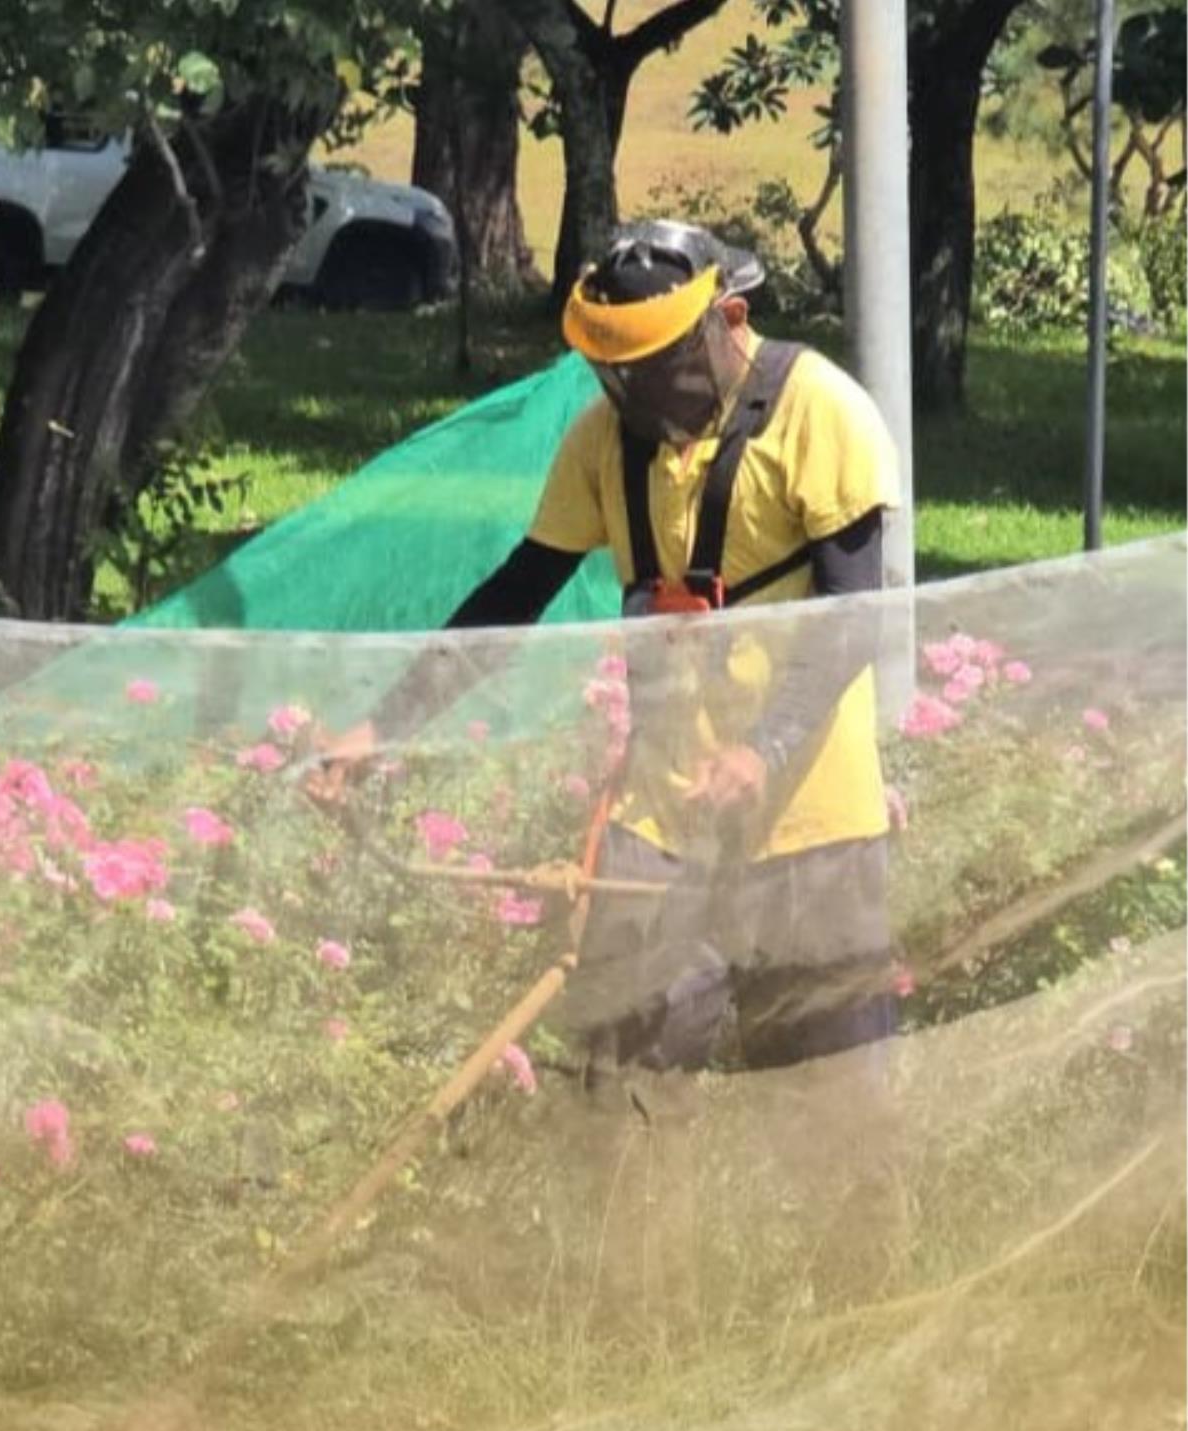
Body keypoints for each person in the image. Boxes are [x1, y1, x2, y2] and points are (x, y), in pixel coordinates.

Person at [311, 218, 905, 1315]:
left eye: (660, 368)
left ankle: (857, 1326)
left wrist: (761, 752)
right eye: (616, 373)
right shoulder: (602, 444)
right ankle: (639, 1330)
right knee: (623, 1080)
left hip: (811, 825)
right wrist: (378, 727)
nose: (637, 396)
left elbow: (850, 621)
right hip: (659, 825)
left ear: (729, 322)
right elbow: (512, 599)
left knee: (831, 1098)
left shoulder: (821, 412)